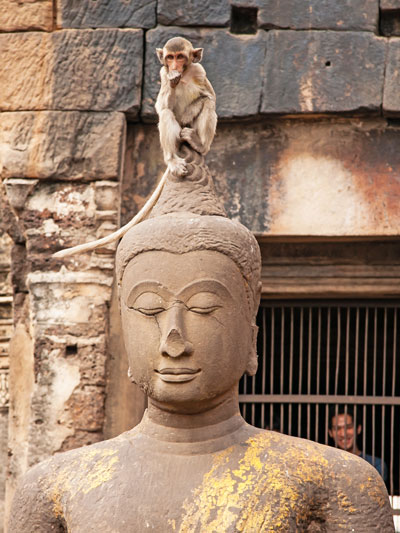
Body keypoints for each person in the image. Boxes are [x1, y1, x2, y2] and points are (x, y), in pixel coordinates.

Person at [8, 141, 394, 532]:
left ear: (252, 338)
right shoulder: (53, 488)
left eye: (204, 307)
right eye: (149, 309)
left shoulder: (335, 482)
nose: (174, 339)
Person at [328, 405, 388, 483]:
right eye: (337, 429)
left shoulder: (376, 464)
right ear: (330, 432)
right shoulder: (326, 465)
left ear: (358, 429)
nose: (343, 434)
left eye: (348, 427)